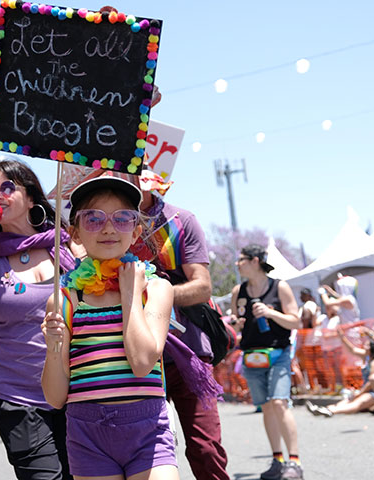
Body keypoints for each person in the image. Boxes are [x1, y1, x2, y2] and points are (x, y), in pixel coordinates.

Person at [41, 175, 178, 480]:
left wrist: (130, 293)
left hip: (148, 428)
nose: (107, 227)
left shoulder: (155, 289)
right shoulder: (64, 299)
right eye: (92, 218)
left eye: (122, 218)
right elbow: (54, 398)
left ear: (136, 230)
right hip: (87, 434)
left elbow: (143, 362)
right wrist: (53, 347)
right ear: (74, 233)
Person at [0, 159, 76, 480]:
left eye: (8, 187)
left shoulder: (66, 246)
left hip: (74, 387)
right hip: (14, 393)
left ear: (31, 197)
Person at [132, 169, 229, 480]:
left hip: (189, 354)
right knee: (146, 455)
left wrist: (153, 293)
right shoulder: (109, 224)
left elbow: (202, 287)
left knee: (206, 449)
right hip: (138, 358)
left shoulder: (181, 220)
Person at [231, 245, 303, 480]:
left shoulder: (279, 286)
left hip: (278, 354)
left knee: (280, 402)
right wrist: (234, 323)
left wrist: (271, 314)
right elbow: (237, 325)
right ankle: (277, 460)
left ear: (254, 261)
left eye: (240, 260)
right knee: (267, 407)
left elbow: (296, 322)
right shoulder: (237, 291)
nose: (237, 264)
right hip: (251, 356)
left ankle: (295, 462)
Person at [306, 326, 374, 417]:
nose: (364, 346)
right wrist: (342, 337)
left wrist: (359, 393)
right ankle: (324, 409)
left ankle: (332, 411)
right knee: (347, 400)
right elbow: (353, 350)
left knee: (358, 402)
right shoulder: (367, 357)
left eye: (367, 345)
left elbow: (371, 383)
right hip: (366, 390)